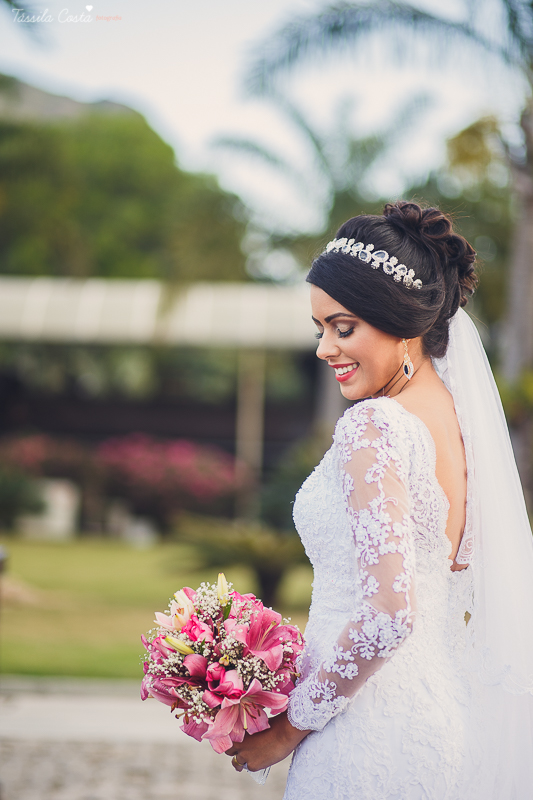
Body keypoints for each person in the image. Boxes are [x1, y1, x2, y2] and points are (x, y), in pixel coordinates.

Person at [226, 201, 533, 799]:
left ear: (403, 325)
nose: (325, 349)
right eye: (320, 330)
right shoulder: (457, 421)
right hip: (434, 712)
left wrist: (287, 728)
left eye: (344, 328)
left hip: (366, 732)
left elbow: (389, 613)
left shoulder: (376, 427)